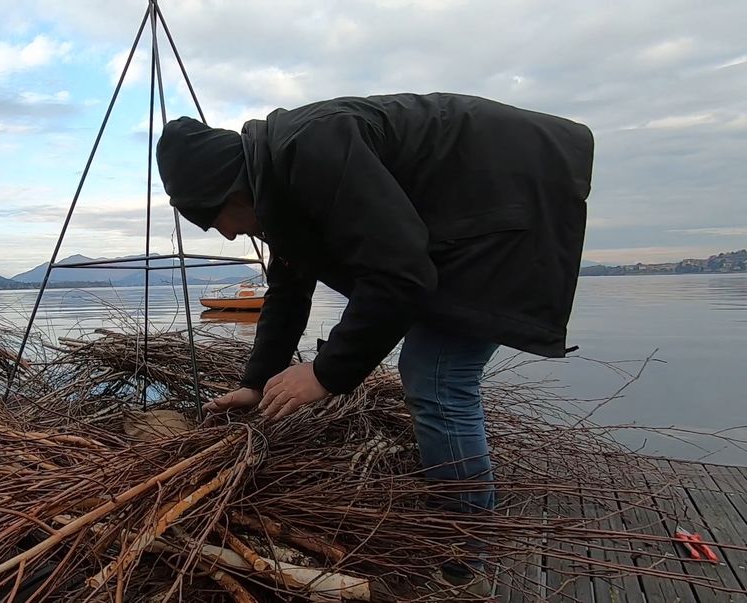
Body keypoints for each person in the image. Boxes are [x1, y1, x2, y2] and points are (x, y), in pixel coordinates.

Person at [156, 92, 594, 596]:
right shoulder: (279, 178)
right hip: (478, 209)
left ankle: (463, 549)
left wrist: (325, 372)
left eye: (216, 223)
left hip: (514, 198)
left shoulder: (312, 149)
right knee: (431, 366)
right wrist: (257, 383)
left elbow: (402, 273)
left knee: (436, 374)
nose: (229, 237)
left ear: (231, 193)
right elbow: (290, 286)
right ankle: (459, 517)